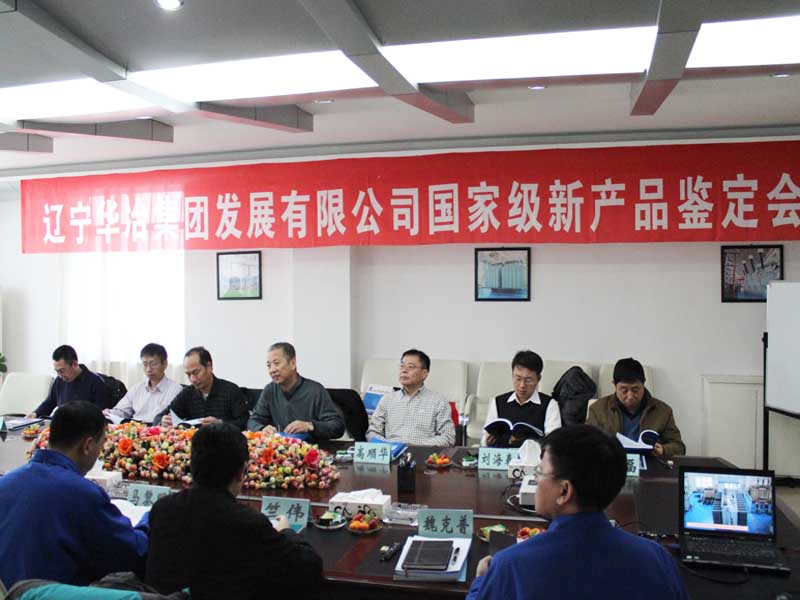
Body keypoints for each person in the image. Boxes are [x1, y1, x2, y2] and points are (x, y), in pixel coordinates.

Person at [466, 425, 689, 600]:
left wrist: (481, 581)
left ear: (564, 491)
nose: (535, 478)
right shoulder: (657, 559)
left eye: (540, 471)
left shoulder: (511, 565)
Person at [145, 422, 322, 599]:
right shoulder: (248, 523)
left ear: (192, 465)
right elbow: (309, 567)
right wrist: (286, 531)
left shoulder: (162, 509)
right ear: (242, 470)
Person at [0, 401, 148, 588]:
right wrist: (153, 518)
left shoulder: (6, 482)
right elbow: (130, 552)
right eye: (101, 444)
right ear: (88, 445)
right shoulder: (82, 493)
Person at [587, 357, 685, 456]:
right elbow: (587, 445)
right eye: (624, 390)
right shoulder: (598, 409)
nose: (630, 396)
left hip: (650, 462)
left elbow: (679, 447)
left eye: (635, 390)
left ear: (643, 384)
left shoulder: (663, 411)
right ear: (614, 385)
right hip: (612, 463)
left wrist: (663, 449)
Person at [247, 342, 345, 440]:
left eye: (276, 363)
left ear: (292, 363)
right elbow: (253, 421)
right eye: (269, 365)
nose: (272, 370)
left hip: (311, 447)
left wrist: (310, 426)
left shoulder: (315, 390)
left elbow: (337, 426)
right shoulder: (270, 390)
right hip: (281, 447)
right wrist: (262, 428)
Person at [366, 349, 455, 446]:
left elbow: (448, 437)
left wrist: (414, 446)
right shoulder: (387, 399)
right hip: (390, 452)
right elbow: (372, 432)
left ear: (424, 374)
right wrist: (389, 446)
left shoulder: (439, 401)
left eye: (411, 367)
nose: (404, 370)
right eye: (402, 366)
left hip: (423, 452)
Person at [154, 346, 249, 430]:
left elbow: (244, 422)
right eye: (188, 374)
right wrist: (162, 420)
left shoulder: (230, 391)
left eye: (196, 372)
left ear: (209, 367)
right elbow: (160, 416)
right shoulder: (187, 393)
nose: (192, 379)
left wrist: (220, 424)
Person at [481, 350, 561, 447]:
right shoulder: (498, 402)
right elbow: (485, 437)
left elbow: (553, 442)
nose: (522, 385)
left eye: (528, 380)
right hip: (503, 454)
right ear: (512, 375)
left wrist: (528, 442)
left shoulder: (550, 404)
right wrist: (487, 440)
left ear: (538, 379)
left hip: (534, 455)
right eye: (518, 379)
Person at [104, 343, 183, 424]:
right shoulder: (136, 388)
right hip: (135, 427)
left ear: (165, 364)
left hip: (159, 428)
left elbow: (175, 419)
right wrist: (109, 413)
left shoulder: (175, 390)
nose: (148, 369)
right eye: (145, 364)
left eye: (153, 364)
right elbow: (122, 411)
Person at [29, 344, 112, 417]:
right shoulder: (59, 381)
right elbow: (50, 402)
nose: (60, 375)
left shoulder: (95, 382)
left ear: (75, 364)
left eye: (62, 371)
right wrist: (35, 414)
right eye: (57, 371)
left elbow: (99, 415)